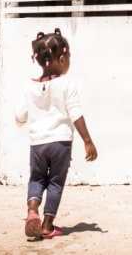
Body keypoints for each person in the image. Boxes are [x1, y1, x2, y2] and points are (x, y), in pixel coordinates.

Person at [15, 28, 98, 240]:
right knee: (55, 183)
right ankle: (47, 225)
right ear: (61, 58)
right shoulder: (66, 84)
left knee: (37, 179)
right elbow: (76, 114)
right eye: (68, 57)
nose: (69, 61)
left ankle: (32, 210)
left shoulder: (29, 87)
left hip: (37, 143)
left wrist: (22, 120)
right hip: (60, 142)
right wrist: (88, 141)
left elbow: (20, 115)